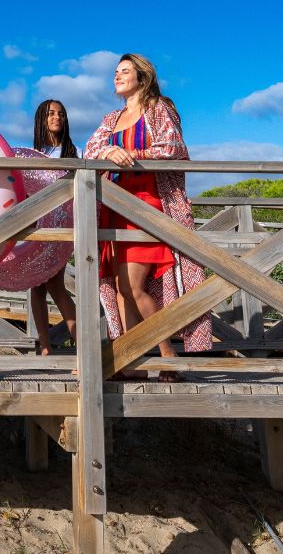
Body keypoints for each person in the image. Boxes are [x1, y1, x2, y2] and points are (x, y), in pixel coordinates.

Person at [83, 54, 211, 380]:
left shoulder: (159, 108)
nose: (117, 76)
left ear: (143, 77)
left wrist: (131, 155)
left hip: (148, 205)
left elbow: (173, 149)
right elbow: (90, 151)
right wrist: (109, 152)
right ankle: (130, 360)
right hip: (115, 206)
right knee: (119, 286)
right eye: (115, 72)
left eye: (125, 71)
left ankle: (168, 356)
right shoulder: (112, 118)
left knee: (132, 285)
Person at [27, 99, 79, 356]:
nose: (57, 117)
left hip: (62, 224)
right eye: (51, 114)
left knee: (56, 286)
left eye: (61, 113)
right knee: (36, 286)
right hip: (37, 223)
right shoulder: (33, 153)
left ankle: (82, 347)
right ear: (41, 118)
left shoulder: (72, 152)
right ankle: (45, 345)